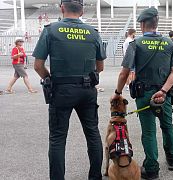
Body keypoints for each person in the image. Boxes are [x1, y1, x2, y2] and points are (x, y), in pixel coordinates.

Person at [32, 0, 106, 179]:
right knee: (92, 134)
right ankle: (94, 177)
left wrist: (49, 78)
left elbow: (37, 65)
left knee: (58, 139)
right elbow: (100, 67)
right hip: (87, 89)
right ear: (82, 11)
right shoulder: (93, 33)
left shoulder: (50, 30)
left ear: (62, 8)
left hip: (61, 90)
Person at [111, 7, 173, 179]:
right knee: (167, 125)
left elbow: (124, 73)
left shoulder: (136, 44)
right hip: (164, 95)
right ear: (156, 24)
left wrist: (117, 92)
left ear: (142, 24)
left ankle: (152, 169)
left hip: (144, 95)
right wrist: (163, 90)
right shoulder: (169, 43)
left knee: (149, 132)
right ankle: (172, 158)